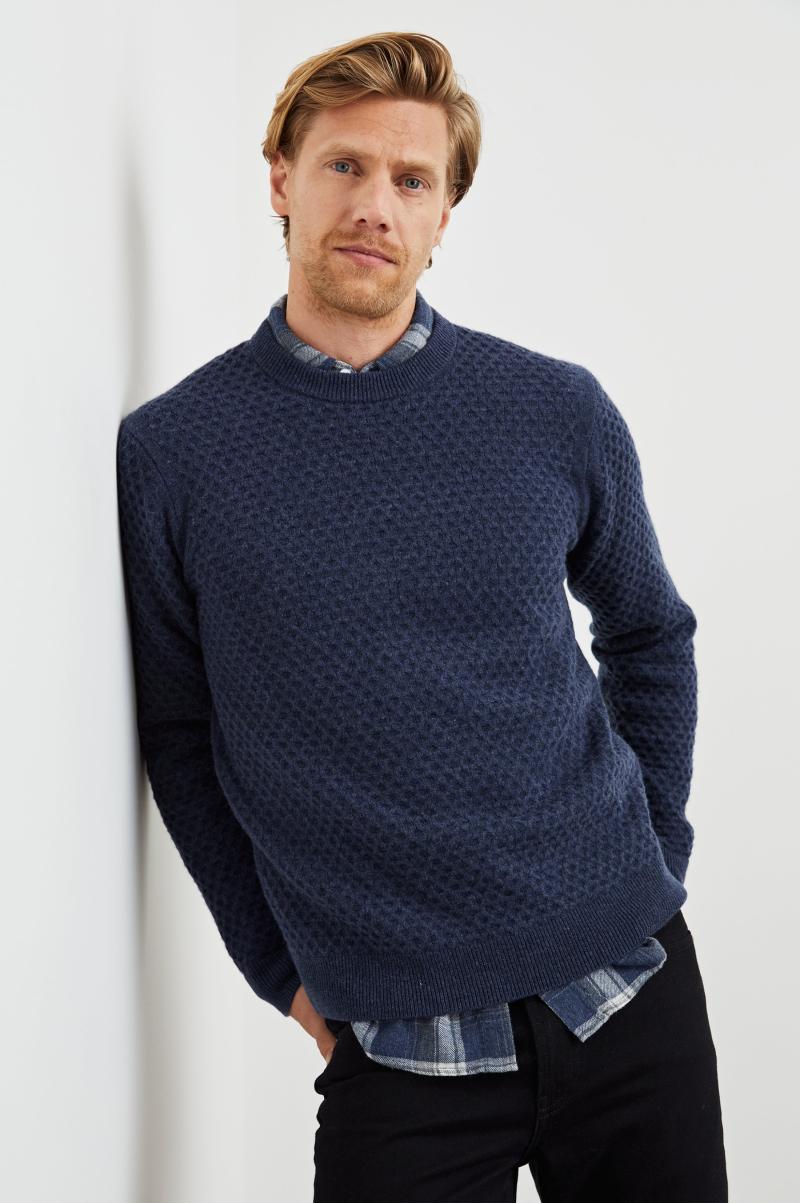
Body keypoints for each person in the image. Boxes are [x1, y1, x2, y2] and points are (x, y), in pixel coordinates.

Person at [116, 30, 727, 1202]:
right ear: (281, 179)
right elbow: (181, 736)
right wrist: (281, 973)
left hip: (627, 999)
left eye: (411, 180)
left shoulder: (554, 411)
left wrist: (649, 860)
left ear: (444, 215)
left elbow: (648, 634)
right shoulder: (173, 456)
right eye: (343, 166)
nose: (374, 206)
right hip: (397, 1050)